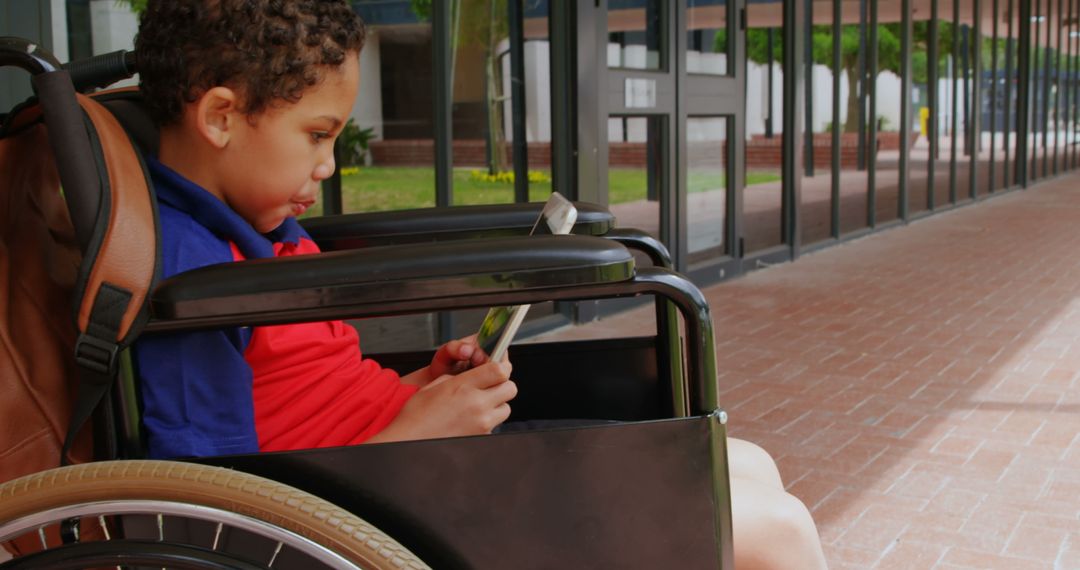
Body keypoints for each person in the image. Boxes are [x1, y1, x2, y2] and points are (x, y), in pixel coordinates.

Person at [130, 1, 826, 567]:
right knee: (775, 533)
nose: (330, 167)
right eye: (317, 136)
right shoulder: (191, 278)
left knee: (750, 464)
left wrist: (420, 390)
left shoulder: (260, 231)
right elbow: (213, 515)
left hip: (411, 461)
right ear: (220, 116)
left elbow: (310, 397)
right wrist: (415, 432)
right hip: (380, 507)